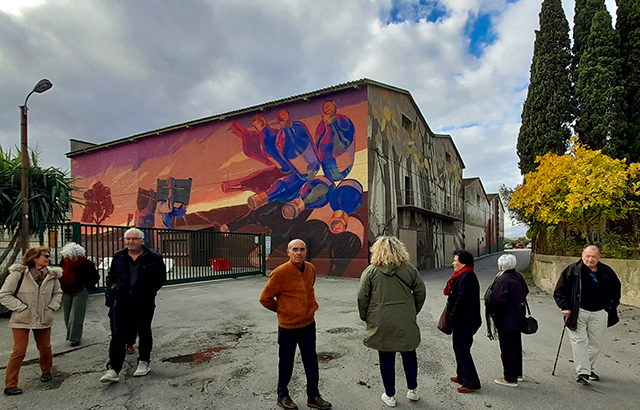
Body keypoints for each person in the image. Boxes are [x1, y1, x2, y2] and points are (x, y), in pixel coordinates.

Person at [259, 239, 332, 410]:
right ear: (288, 252)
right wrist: (283, 311)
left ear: (306, 252)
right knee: (286, 362)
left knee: (311, 361)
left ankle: (313, 396)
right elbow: (265, 299)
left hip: (308, 325)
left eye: (302, 249)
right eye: (295, 250)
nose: (299, 253)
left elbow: (310, 287)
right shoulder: (280, 273)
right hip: (288, 327)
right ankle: (282, 395)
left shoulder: (310, 269)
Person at [357, 236, 426, 407]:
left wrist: (365, 316)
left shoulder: (371, 271)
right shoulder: (409, 269)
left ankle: (390, 396)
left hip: (381, 320)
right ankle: (412, 390)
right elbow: (420, 292)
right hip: (405, 319)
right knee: (409, 353)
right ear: (400, 250)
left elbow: (362, 297)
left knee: (386, 356)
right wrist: (412, 310)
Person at [100, 228, 166, 383]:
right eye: (127, 239)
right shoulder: (119, 256)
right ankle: (113, 369)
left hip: (144, 301)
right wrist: (112, 290)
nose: (130, 242)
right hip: (122, 301)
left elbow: (160, 278)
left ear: (142, 240)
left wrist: (149, 292)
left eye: (134, 239)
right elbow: (112, 276)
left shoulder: (153, 258)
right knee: (118, 333)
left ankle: (143, 361)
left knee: (144, 331)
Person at [554, 245, 621, 385]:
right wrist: (565, 307)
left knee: (595, 344)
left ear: (599, 258)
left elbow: (616, 289)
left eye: (594, 257)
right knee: (579, 341)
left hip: (600, 312)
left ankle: (588, 368)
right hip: (578, 311)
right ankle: (583, 372)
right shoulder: (573, 270)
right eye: (588, 256)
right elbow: (560, 291)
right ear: (582, 256)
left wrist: (610, 306)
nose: (590, 259)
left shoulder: (606, 271)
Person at [0, 246, 62, 396]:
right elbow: (4, 294)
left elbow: (57, 293)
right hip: (22, 318)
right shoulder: (18, 274)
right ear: (34, 258)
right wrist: (21, 307)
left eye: (49, 256)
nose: (49, 259)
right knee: (19, 350)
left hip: (43, 316)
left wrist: (51, 307)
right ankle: (10, 385)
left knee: (45, 348)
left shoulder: (51, 275)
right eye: (45, 256)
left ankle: (46, 371)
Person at [485, 253, 528, 388]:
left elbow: (497, 300)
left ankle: (510, 378)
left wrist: (492, 310)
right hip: (518, 315)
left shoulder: (503, 280)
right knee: (516, 346)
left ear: (501, 266)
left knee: (507, 348)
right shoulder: (518, 277)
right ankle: (518, 373)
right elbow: (525, 292)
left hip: (506, 318)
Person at [445, 250, 481, 393]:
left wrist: (452, 315)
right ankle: (462, 376)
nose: (453, 263)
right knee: (458, 348)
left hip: (466, 321)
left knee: (462, 350)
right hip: (463, 321)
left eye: (455, 260)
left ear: (463, 263)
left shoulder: (467, 277)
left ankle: (472, 382)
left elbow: (463, 300)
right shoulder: (463, 276)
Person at [59, 242, 100, 347]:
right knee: (67, 314)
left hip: (80, 290)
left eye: (74, 256)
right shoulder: (64, 262)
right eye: (70, 256)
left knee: (77, 315)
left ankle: (75, 338)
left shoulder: (87, 264)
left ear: (80, 255)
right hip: (66, 290)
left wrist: (87, 285)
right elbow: (60, 274)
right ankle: (70, 334)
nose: (72, 258)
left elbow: (95, 277)